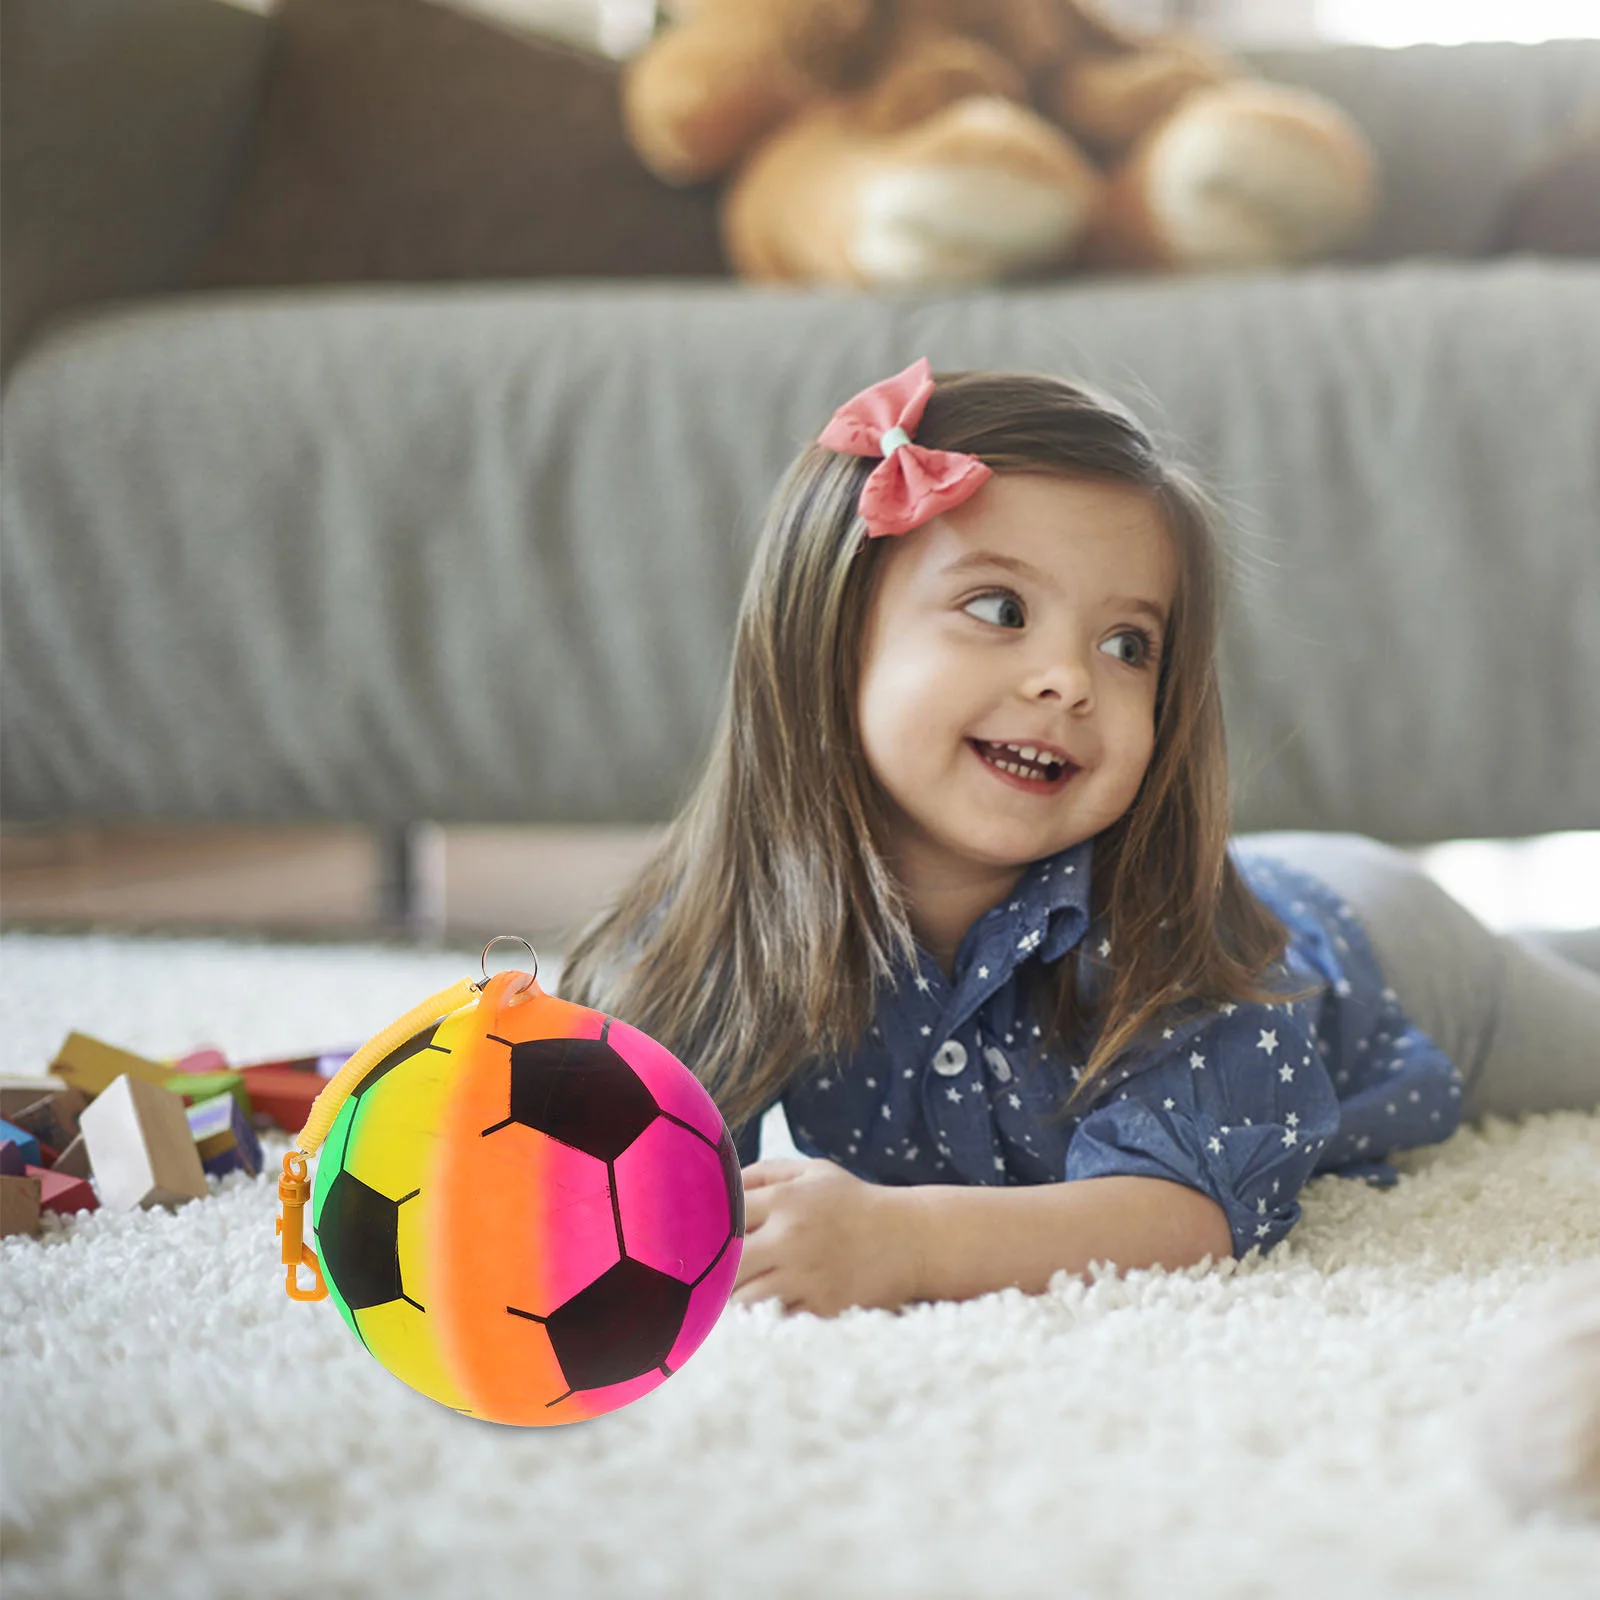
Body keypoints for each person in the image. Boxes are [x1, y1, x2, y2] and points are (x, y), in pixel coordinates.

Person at [556, 359, 1600, 1319]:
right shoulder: (714, 929)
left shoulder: (1180, 944)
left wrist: (902, 1241)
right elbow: (618, 1166)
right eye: (1000, 607)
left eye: (1125, 643)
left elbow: (1183, 1213)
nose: (1069, 678)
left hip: (1392, 951)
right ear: (825, 633)